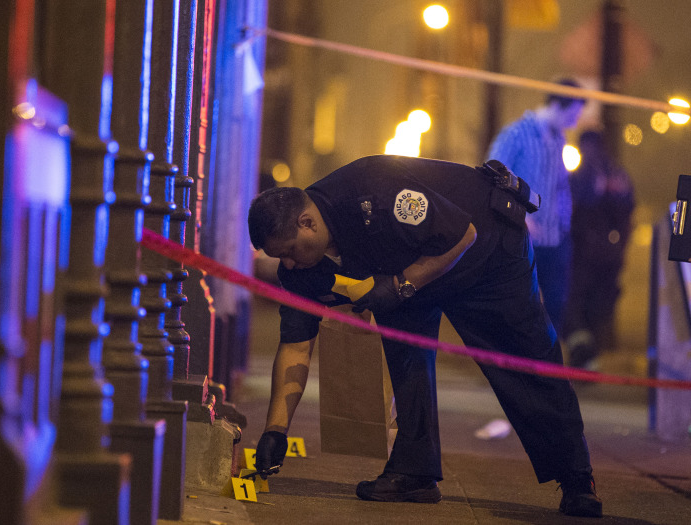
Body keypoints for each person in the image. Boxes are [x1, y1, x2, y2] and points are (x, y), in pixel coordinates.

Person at [247, 154, 602, 517]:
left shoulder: (373, 188)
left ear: (306, 223)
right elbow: (295, 346)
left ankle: (576, 478)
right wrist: (275, 431)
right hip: (409, 270)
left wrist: (401, 286)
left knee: (524, 361)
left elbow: (461, 235)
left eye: (289, 251)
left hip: (486, 250)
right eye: (280, 258)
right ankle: (414, 471)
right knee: (406, 355)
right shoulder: (300, 270)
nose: (287, 265)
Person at [487, 79, 586, 334]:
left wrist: (565, 224)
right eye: (572, 115)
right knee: (519, 305)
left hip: (555, 240)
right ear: (556, 105)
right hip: (523, 237)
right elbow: (491, 175)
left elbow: (560, 186)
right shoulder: (516, 134)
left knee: (554, 306)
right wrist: (522, 217)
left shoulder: (558, 139)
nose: (574, 123)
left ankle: (544, 364)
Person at [564, 131, 634, 368]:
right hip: (600, 255)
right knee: (588, 307)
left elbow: (574, 207)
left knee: (580, 306)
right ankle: (585, 356)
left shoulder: (597, 175)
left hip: (588, 255)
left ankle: (584, 356)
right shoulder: (616, 175)